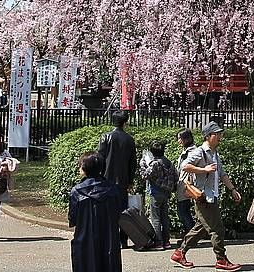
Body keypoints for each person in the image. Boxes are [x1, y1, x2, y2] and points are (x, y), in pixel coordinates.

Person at [170, 121, 243, 271]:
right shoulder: (199, 151)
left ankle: (179, 253)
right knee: (217, 229)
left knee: (201, 228)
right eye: (217, 134)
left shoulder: (214, 152)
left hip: (211, 195)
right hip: (204, 197)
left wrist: (233, 189)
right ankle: (221, 260)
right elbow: (185, 166)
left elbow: (222, 174)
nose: (220, 136)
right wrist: (204, 169)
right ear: (208, 136)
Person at [69, 153, 126, 272]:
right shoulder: (113, 189)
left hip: (85, 239)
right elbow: (118, 212)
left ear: (85, 168)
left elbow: (73, 219)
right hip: (109, 237)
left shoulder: (77, 191)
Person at [97, 110, 137, 248]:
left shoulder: (106, 137)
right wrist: (131, 180)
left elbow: (100, 158)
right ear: (125, 122)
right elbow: (133, 163)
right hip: (123, 181)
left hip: (106, 180)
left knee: (108, 211)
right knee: (123, 211)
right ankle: (123, 240)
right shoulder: (129, 139)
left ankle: (110, 239)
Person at [139, 140, 177, 250]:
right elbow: (175, 176)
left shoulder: (155, 163)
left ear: (152, 152)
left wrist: (143, 163)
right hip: (166, 193)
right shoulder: (168, 162)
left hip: (155, 193)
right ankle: (167, 241)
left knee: (155, 218)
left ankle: (159, 243)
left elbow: (146, 175)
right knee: (165, 217)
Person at [174, 129, 198, 236]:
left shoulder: (193, 151)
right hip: (182, 183)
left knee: (183, 211)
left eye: (180, 138)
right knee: (183, 211)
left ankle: (191, 236)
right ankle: (190, 235)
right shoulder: (187, 151)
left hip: (186, 184)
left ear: (186, 139)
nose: (179, 141)